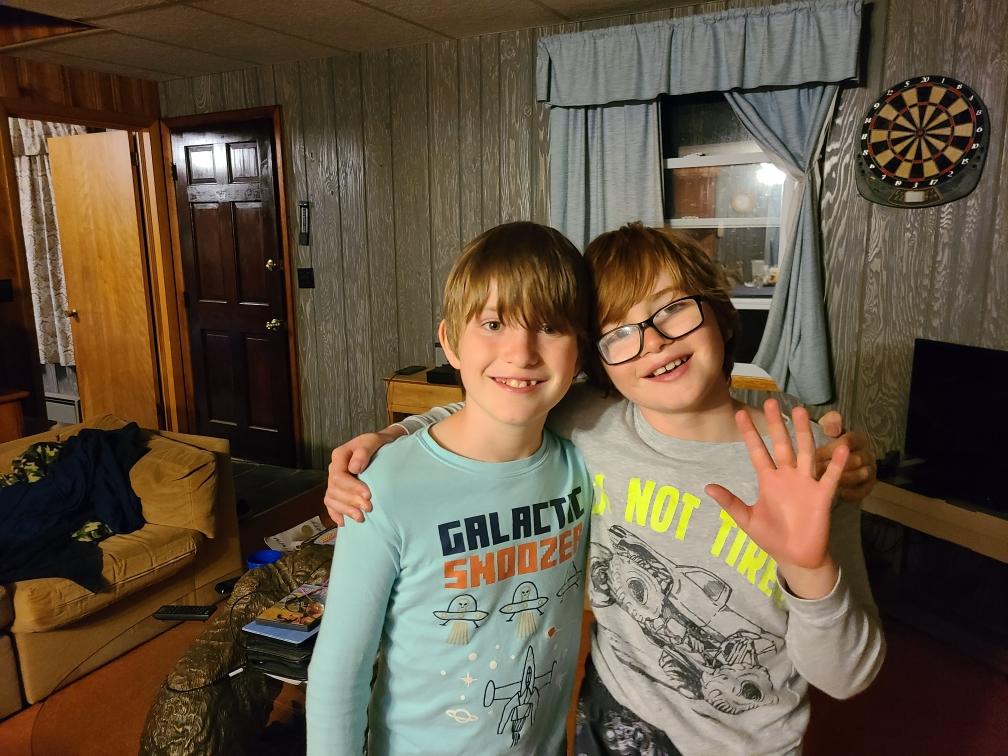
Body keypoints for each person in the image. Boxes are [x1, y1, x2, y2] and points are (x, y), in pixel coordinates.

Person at [323, 223, 884, 756]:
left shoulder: (806, 466)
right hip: (609, 728)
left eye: (674, 309)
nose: (654, 343)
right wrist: (391, 438)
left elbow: (845, 677)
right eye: (620, 333)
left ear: (719, 313)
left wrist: (809, 570)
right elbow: (501, 405)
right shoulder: (591, 424)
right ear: (598, 364)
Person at [306, 221, 597, 755]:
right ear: (450, 342)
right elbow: (339, 673)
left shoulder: (581, 464)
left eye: (550, 327)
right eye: (493, 323)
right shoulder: (385, 486)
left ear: (580, 353)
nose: (522, 352)